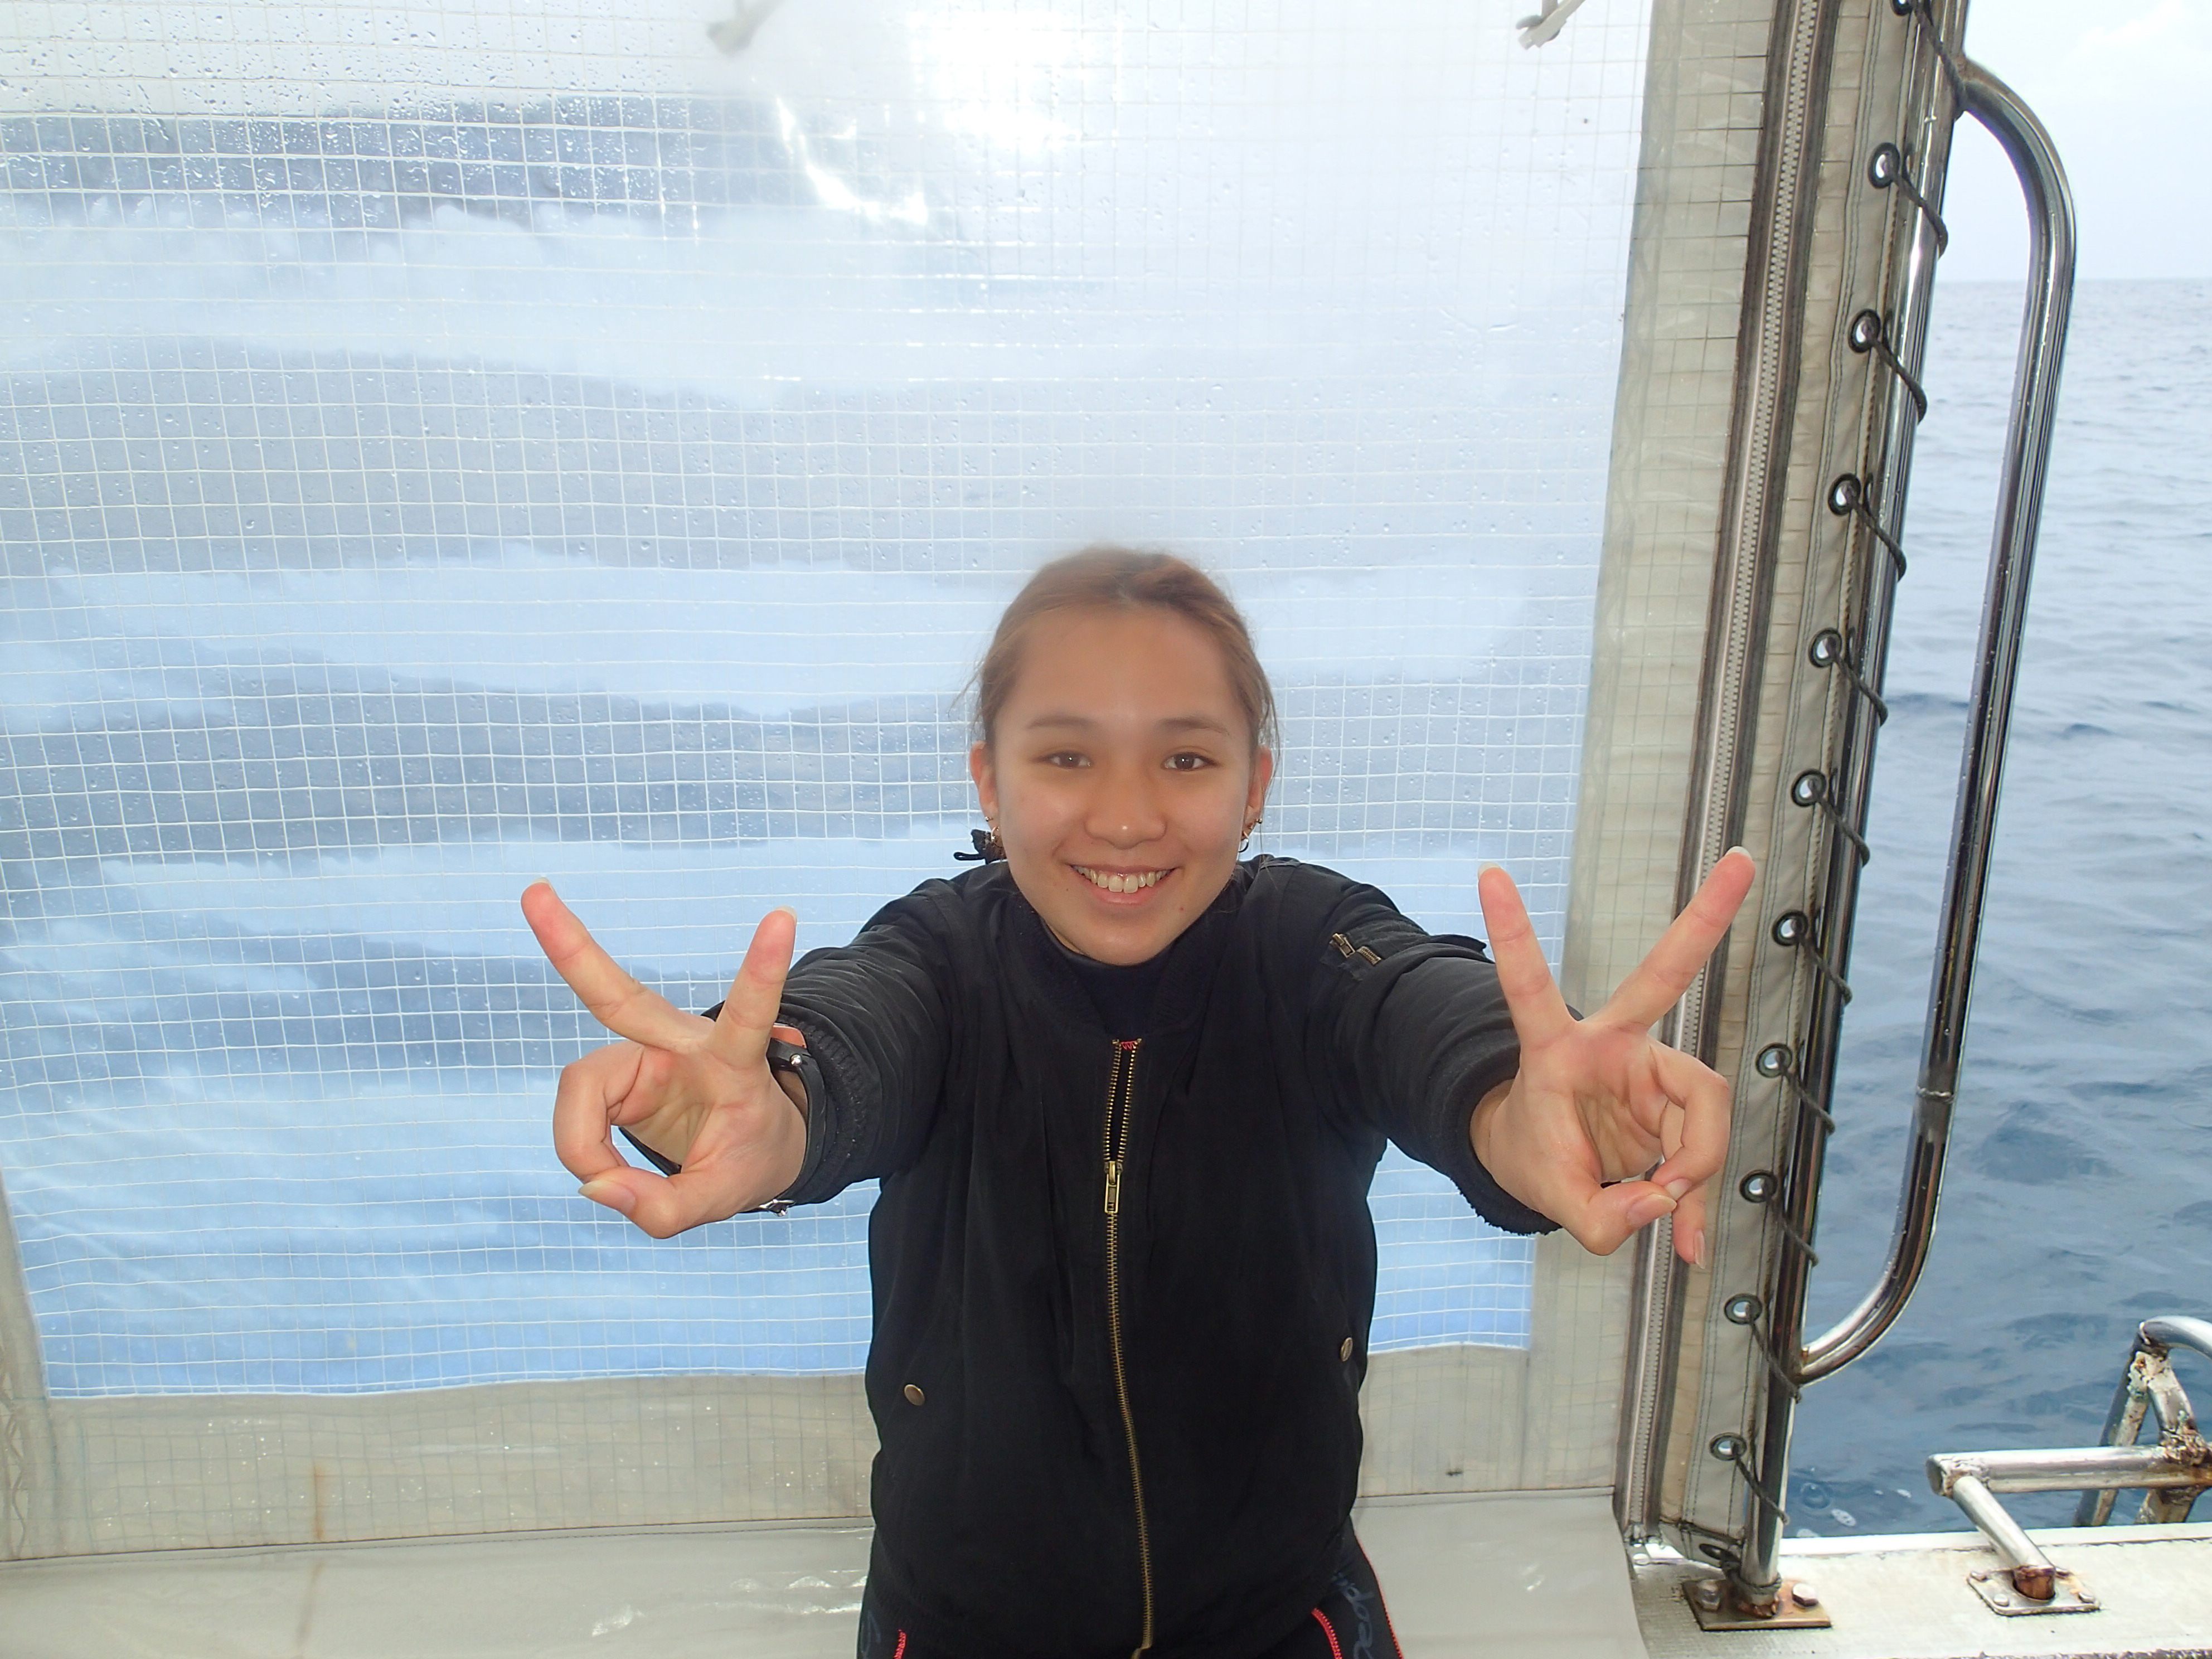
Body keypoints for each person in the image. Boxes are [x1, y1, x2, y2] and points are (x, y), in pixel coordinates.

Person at [521, 548, 1753, 1659]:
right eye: (1066, 757)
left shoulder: (1313, 944)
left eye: (1187, 758)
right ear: (988, 781)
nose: (1125, 817)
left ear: (1255, 784)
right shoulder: (938, 959)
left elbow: (1418, 1009)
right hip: (955, 1625)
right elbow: (851, 1034)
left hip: (1284, 1618)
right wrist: (774, 1108)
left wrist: (1514, 1106)